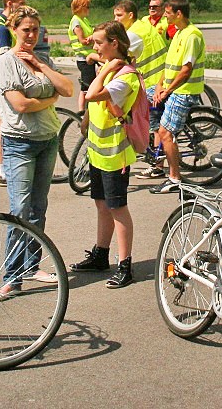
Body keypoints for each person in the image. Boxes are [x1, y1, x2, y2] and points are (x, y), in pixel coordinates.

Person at [0, 5, 74, 301]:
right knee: (20, 211)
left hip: (47, 140)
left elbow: (67, 89)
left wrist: (41, 66)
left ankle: (31, 266)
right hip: (19, 143)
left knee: (39, 208)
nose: (30, 35)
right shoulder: (6, 62)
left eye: (35, 30)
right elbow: (20, 105)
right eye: (25, 29)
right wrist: (48, 98)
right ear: (14, 30)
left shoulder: (42, 58)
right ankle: (11, 278)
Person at [70, 21, 140, 288]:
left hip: (115, 154)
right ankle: (101, 254)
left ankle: (125, 265)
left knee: (117, 208)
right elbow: (95, 101)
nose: (95, 47)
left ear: (115, 43)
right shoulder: (110, 69)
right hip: (98, 150)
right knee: (101, 203)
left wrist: (108, 67)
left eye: (99, 42)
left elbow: (94, 94)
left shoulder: (125, 76)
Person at [150, 0, 206, 194]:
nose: (165, 17)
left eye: (168, 13)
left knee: (166, 133)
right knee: (146, 105)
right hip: (171, 87)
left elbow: (186, 70)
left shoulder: (192, 35)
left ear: (179, 13)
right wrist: (158, 86)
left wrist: (168, 90)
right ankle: (155, 157)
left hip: (184, 91)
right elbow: (169, 65)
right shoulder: (179, 33)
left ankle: (174, 178)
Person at [112, 0, 170, 179]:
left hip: (154, 81)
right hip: (158, 77)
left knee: (154, 124)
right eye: (114, 15)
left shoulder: (133, 34)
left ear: (130, 15)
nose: (116, 19)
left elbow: (119, 59)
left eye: (119, 15)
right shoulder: (141, 26)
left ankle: (158, 166)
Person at [0, 0, 26, 185]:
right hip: (6, 85)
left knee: (6, 125)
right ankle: (3, 170)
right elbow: (7, 58)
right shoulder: (2, 28)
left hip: (12, 83)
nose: (23, 7)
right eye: (21, 3)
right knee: (4, 128)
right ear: (10, 4)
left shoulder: (7, 25)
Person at [68, 0, 95, 113]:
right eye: (87, 7)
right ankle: (82, 113)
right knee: (87, 87)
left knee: (88, 86)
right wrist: (94, 38)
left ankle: (84, 111)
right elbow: (83, 40)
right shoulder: (76, 21)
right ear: (79, 8)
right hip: (84, 58)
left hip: (90, 56)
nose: (89, 9)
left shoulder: (84, 20)